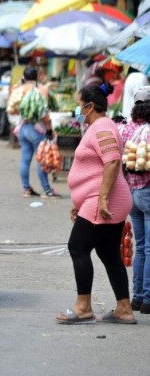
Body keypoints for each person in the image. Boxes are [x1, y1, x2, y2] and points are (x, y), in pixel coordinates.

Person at [55, 83, 136, 325]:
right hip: (97, 199)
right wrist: (79, 200)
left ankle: (83, 307)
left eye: (79, 106)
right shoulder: (99, 127)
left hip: (104, 200)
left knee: (78, 247)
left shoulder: (102, 127)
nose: (78, 111)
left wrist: (100, 198)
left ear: (90, 106)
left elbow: (112, 162)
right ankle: (124, 308)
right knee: (108, 252)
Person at [119, 86, 150, 314]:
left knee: (140, 247)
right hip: (148, 192)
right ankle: (148, 299)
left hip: (131, 193)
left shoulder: (126, 129)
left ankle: (137, 297)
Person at [9, 66, 59, 198]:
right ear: (36, 76)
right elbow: (44, 112)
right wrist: (49, 128)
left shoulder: (19, 89)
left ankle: (26, 189)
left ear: (24, 77)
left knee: (25, 160)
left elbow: (12, 109)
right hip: (37, 129)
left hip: (23, 128)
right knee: (41, 160)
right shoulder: (41, 90)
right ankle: (47, 190)